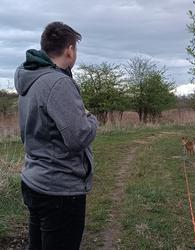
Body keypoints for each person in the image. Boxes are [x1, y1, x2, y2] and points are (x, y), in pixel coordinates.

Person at [14, 21, 98, 250]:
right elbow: (78, 137)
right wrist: (91, 119)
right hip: (60, 190)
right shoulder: (58, 82)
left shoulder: (29, 79)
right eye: (75, 49)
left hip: (33, 180)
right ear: (69, 49)